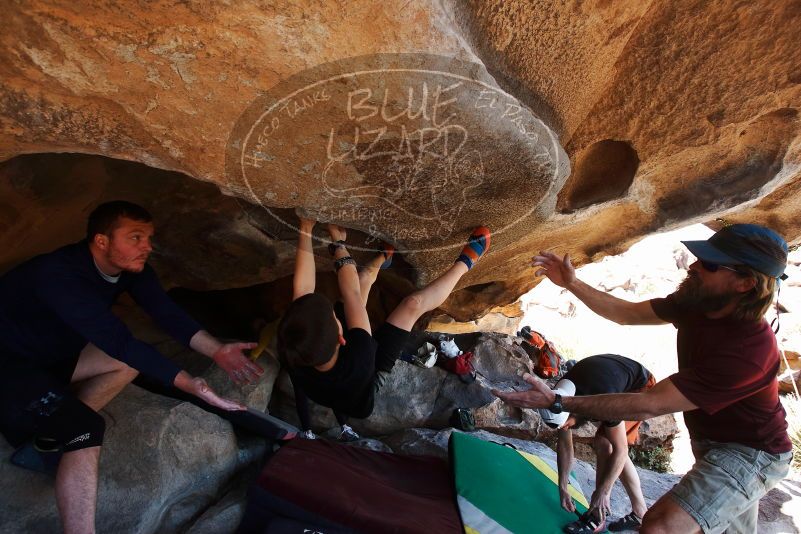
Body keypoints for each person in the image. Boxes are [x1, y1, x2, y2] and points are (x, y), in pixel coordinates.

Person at [494, 223, 793, 534]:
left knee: (659, 527)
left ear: (744, 283)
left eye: (710, 264)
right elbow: (626, 313)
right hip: (710, 443)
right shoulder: (698, 304)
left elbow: (649, 404)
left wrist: (559, 401)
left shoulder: (749, 352)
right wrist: (571, 283)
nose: (693, 265)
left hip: (750, 452)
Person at [0, 201, 278, 534]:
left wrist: (217, 351)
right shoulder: (56, 275)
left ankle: (45, 440)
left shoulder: (128, 270)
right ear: (102, 241)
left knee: (125, 367)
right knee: (84, 428)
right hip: (9, 364)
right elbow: (120, 341)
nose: (147, 246)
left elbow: (165, 312)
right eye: (135, 237)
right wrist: (193, 385)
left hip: (49, 357)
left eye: (148, 237)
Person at [277, 218, 490, 440]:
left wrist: (305, 227)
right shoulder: (360, 354)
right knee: (411, 305)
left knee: (363, 278)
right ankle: (465, 263)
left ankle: (382, 259)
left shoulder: (296, 348)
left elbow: (302, 290)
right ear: (342, 337)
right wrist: (338, 243)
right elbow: (352, 295)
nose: (333, 312)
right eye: (334, 315)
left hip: (332, 369)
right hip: (366, 382)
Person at [540, 355, 656, 533]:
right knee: (605, 441)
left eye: (567, 422)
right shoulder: (561, 394)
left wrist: (603, 492)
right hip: (609, 378)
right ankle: (640, 512)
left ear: (575, 409)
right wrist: (563, 486)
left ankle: (597, 515)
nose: (566, 427)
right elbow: (564, 443)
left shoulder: (605, 400)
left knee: (604, 442)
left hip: (640, 388)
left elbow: (621, 449)